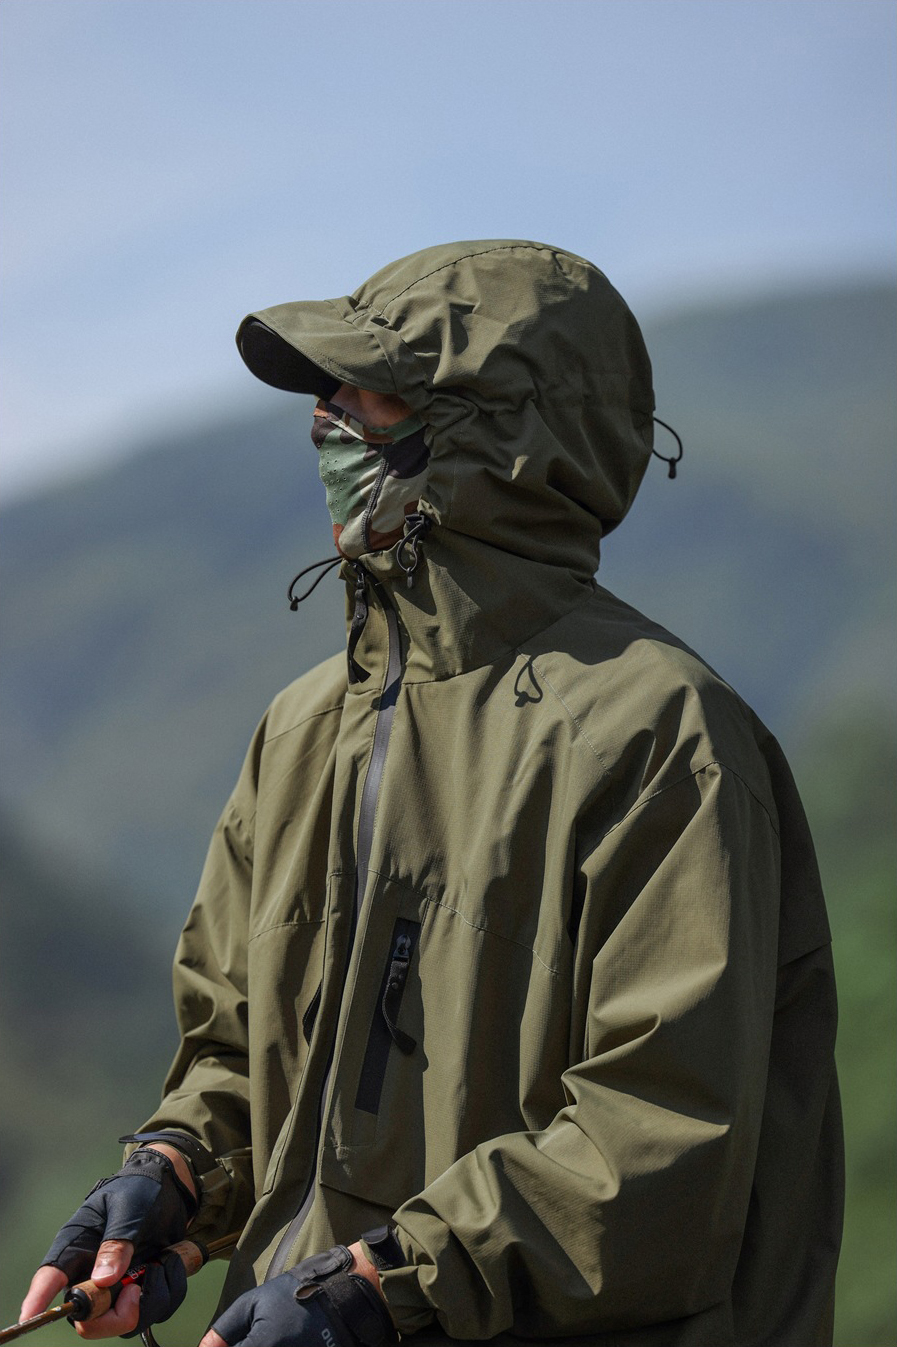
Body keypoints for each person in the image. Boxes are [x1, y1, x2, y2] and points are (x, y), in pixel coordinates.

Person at [22, 240, 843, 1346]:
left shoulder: (660, 735)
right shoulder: (304, 730)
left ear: (494, 434)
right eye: (325, 393)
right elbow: (239, 1052)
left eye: (367, 392)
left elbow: (663, 1137)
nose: (327, 421)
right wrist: (175, 1176)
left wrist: (380, 1287)